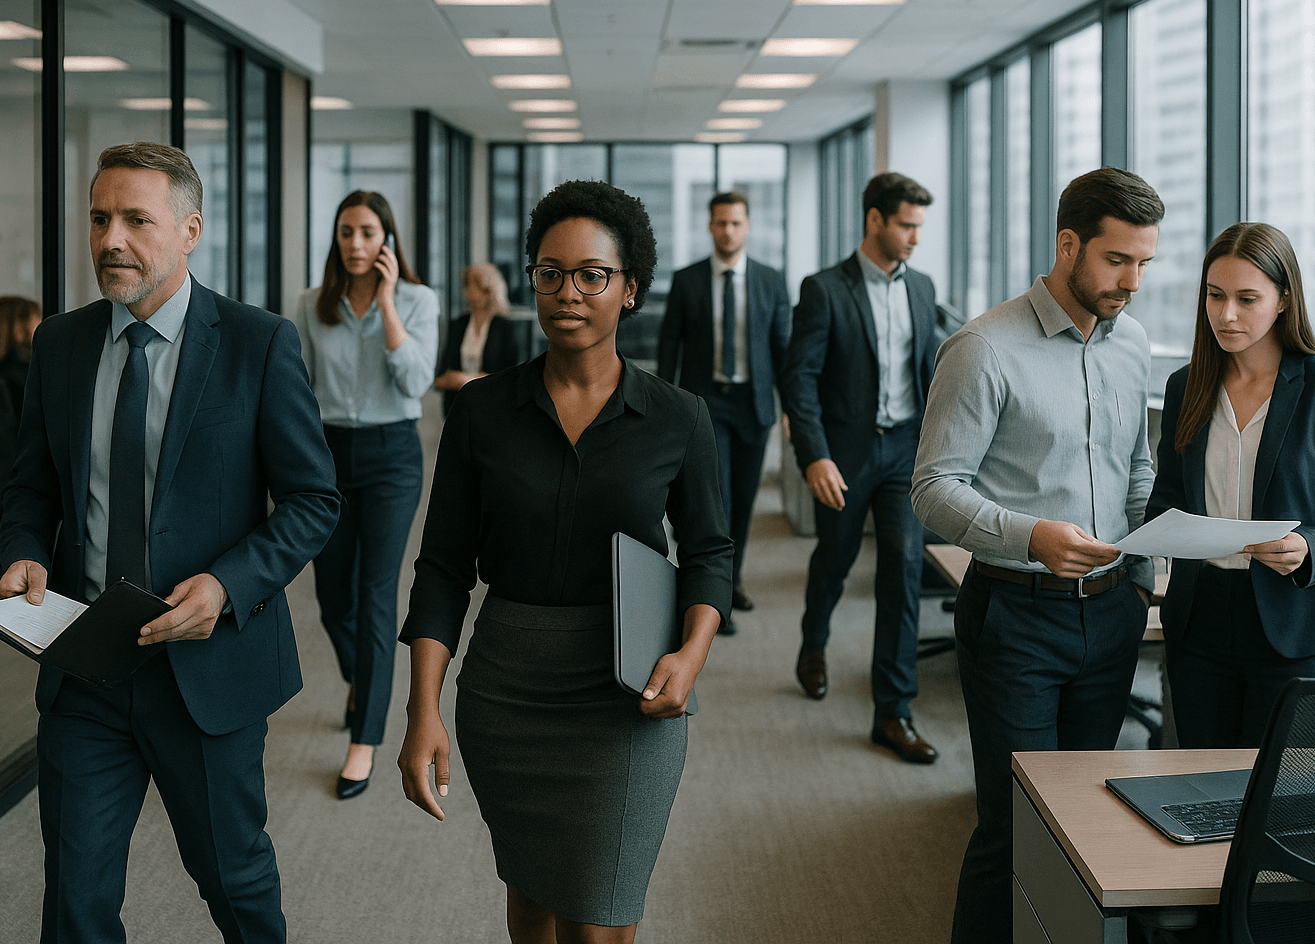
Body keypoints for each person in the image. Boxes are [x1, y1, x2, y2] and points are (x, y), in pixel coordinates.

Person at [0, 142, 339, 944]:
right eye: (99, 218)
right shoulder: (60, 343)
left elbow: (314, 500)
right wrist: (24, 550)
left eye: (135, 219)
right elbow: (31, 488)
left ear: (190, 231)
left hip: (206, 672)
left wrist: (225, 586)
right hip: (86, 669)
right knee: (74, 905)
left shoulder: (258, 344)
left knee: (235, 883)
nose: (110, 238)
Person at [397, 179, 733, 944]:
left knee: (600, 921)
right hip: (508, 689)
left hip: (627, 687)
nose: (568, 292)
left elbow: (711, 552)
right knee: (533, 906)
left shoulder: (677, 417)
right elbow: (442, 569)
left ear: (629, 290)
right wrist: (423, 710)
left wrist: (692, 654)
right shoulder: (482, 413)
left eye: (592, 275)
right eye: (550, 273)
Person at [912, 167, 1165, 944]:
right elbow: (932, 488)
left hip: (1113, 616)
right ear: (1068, 244)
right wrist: (1030, 536)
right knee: (1016, 823)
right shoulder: (984, 348)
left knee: (1085, 819)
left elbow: (1136, 468)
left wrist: (1151, 564)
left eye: (1145, 264)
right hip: (1016, 618)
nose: (1133, 281)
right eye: (1118, 260)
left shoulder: (1134, 348)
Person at [1147, 222, 1315, 748]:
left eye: (1246, 298)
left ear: (1283, 300)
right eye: (1215, 295)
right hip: (1200, 621)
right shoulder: (1186, 386)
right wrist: (1160, 534)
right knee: (1202, 788)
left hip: (1294, 625)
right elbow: (1166, 499)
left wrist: (1307, 546)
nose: (1226, 314)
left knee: (1284, 805)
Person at [779, 171, 940, 762]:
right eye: (906, 225)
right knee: (835, 560)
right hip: (844, 455)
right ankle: (813, 638)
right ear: (875, 220)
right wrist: (814, 454)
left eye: (920, 227)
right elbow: (799, 379)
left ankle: (892, 712)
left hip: (904, 452)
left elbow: (930, 372)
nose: (915, 238)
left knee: (902, 567)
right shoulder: (824, 288)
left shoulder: (922, 287)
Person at [294, 189, 439, 799]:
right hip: (325, 456)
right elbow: (296, 387)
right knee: (332, 596)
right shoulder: (310, 304)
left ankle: (366, 738)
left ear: (388, 240)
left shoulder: (416, 300)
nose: (356, 244)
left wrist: (386, 306)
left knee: (377, 593)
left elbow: (417, 381)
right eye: (347, 232)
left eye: (368, 232)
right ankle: (364, 680)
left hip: (391, 457)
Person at [657, 190, 790, 635]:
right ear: (710, 226)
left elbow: (782, 350)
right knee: (716, 502)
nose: (728, 230)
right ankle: (712, 597)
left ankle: (730, 585)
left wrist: (790, 411)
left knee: (744, 499)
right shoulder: (687, 279)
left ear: (747, 226)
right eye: (720, 223)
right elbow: (669, 345)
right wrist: (663, 405)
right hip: (704, 404)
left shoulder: (771, 280)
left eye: (736, 223)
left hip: (752, 406)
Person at [434, 261, 527, 415]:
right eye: (466, 284)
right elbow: (440, 376)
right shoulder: (458, 325)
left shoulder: (505, 327)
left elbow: (514, 377)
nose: (467, 290)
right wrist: (453, 380)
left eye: (471, 284)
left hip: (494, 408)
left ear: (488, 289)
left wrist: (470, 380)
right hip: (458, 408)